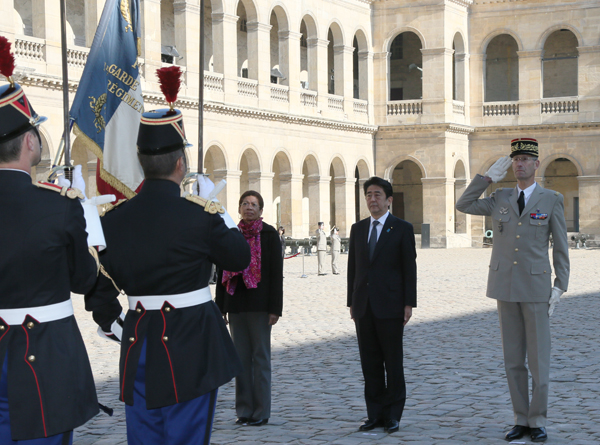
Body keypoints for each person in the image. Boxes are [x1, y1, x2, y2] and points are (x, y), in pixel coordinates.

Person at [84, 82, 251, 445]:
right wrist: (218, 211)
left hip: (138, 339)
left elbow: (97, 283)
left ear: (142, 163)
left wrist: (111, 322)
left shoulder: (112, 218)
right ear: (181, 163)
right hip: (191, 343)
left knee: (144, 436)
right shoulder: (200, 215)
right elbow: (240, 257)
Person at [0, 47, 100, 444]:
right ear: (29, 142)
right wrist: (85, 223)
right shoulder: (60, 205)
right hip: (45, 355)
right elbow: (84, 278)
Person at [456, 138, 569, 443]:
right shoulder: (499, 197)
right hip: (505, 286)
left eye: (525, 160)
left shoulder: (551, 199)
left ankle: (538, 419)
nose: (519, 164)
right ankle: (521, 418)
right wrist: (485, 178)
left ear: (536, 164)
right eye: (515, 159)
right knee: (513, 360)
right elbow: (463, 204)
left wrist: (561, 285)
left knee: (538, 360)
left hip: (535, 288)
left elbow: (561, 246)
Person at [347, 176, 417, 434]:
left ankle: (393, 414)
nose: (372, 200)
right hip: (363, 305)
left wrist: (409, 303)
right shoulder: (358, 229)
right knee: (370, 363)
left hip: (391, 304)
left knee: (392, 362)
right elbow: (352, 269)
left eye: (377, 195)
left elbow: (409, 269)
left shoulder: (401, 228)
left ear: (388, 200)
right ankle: (374, 414)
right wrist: (351, 302)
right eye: (368, 195)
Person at [215, 191, 283, 427]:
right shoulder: (231, 234)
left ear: (261, 210)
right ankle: (244, 410)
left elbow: (276, 274)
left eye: (254, 204)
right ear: (239, 208)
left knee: (261, 358)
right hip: (236, 304)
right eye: (244, 203)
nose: (249, 207)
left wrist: (275, 308)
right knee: (241, 360)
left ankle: (262, 411)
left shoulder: (269, 234)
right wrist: (220, 306)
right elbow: (222, 269)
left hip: (261, 305)